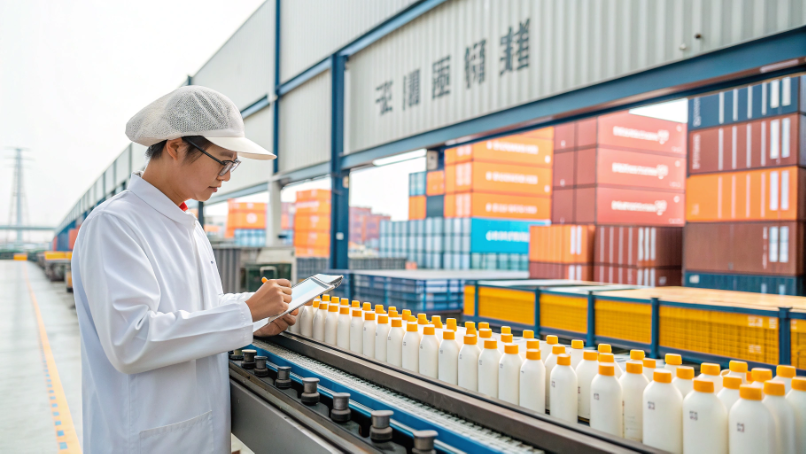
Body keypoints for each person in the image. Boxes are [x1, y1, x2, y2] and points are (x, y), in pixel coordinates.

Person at [72, 86, 295, 453]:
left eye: (232, 164)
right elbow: (133, 340)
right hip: (145, 439)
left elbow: (197, 306)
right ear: (175, 147)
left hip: (194, 433)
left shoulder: (185, 223)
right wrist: (246, 313)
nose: (226, 175)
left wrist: (255, 318)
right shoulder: (114, 224)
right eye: (222, 160)